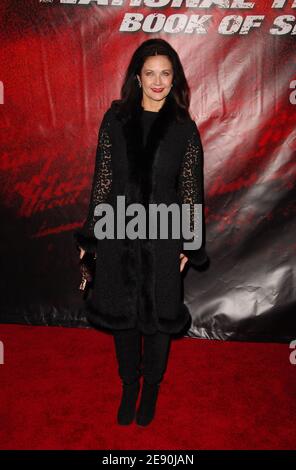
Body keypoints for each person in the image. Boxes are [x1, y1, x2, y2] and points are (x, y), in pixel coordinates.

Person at [74, 38, 208, 426]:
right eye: (150, 73)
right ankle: (129, 385)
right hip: (117, 231)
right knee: (122, 316)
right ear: (137, 75)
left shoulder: (185, 129)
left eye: (165, 73)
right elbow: (101, 182)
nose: (157, 80)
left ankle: (151, 387)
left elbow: (191, 192)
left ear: (175, 78)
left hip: (165, 237)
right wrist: (91, 239)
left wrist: (191, 244)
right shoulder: (115, 119)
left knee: (161, 319)